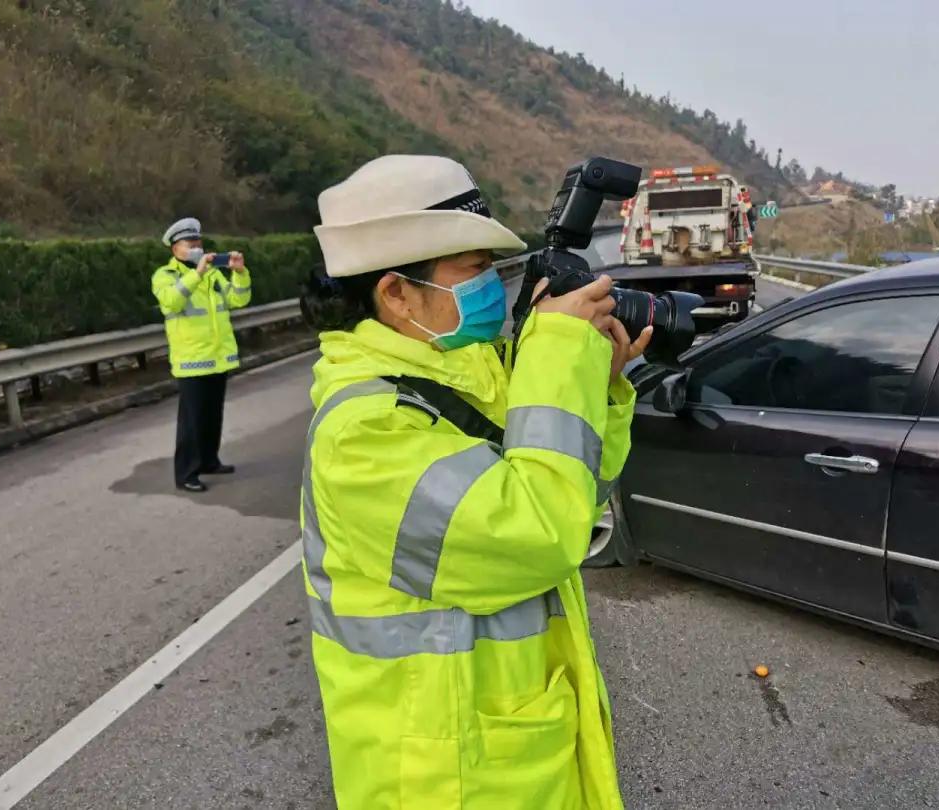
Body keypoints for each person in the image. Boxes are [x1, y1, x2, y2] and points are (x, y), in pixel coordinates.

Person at [299, 155, 651, 809]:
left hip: (509, 754)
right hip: (445, 778)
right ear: (396, 294)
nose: (493, 285)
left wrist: (594, 388)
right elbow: (539, 533)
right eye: (474, 268)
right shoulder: (365, 432)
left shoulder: (467, 379)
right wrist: (555, 354)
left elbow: (577, 496)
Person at [152, 218, 251, 493]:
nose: (196, 247)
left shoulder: (214, 274)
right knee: (192, 421)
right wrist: (196, 273)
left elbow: (238, 300)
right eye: (189, 244)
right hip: (191, 359)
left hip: (217, 357)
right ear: (175, 249)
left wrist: (240, 274)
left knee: (212, 415)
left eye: (198, 243)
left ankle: (209, 460)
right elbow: (171, 301)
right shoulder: (165, 275)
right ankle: (186, 473)